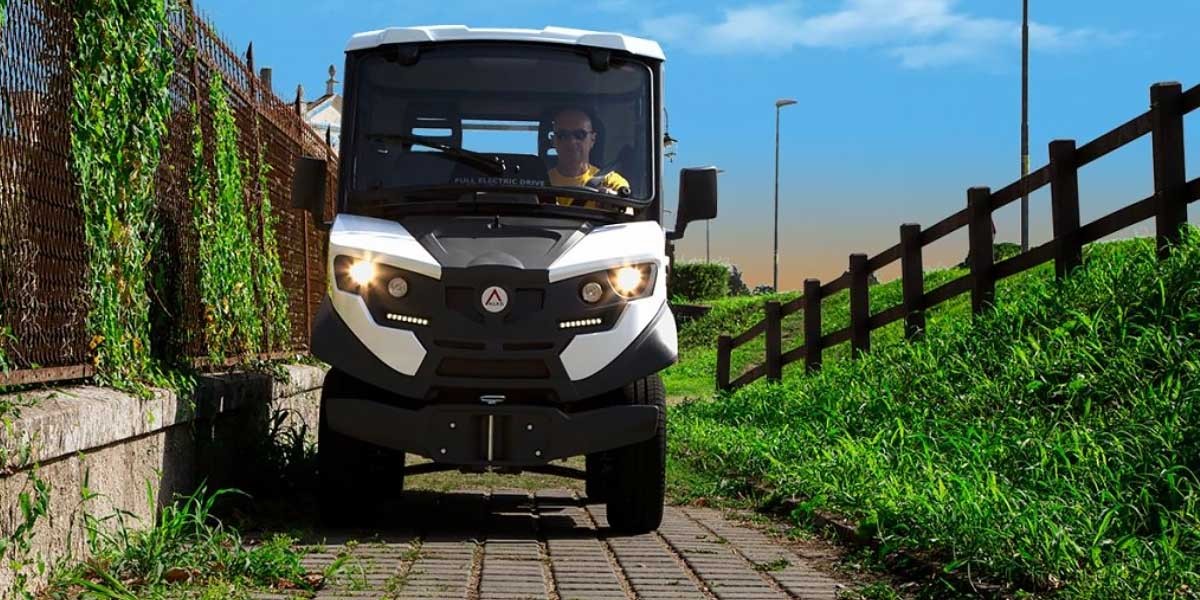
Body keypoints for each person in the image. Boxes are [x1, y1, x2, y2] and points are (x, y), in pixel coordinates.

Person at [546, 108, 630, 208]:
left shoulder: (609, 181)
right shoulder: (541, 183)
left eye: (580, 135)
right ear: (553, 141)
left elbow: (629, 210)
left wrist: (614, 204)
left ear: (592, 139)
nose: (571, 141)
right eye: (563, 135)